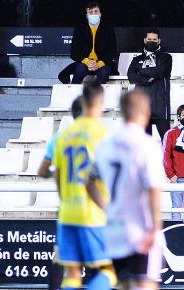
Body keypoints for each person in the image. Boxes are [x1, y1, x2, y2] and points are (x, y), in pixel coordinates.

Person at [86, 89, 166, 290]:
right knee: (145, 285)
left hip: (114, 230)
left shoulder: (106, 145)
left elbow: (87, 180)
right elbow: (153, 190)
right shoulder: (147, 145)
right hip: (141, 230)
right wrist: (154, 229)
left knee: (121, 285)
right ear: (146, 110)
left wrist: (106, 208)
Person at [52, 82, 113, 290]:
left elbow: (57, 174)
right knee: (109, 272)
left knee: (73, 273)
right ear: (99, 102)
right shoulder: (101, 133)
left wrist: (65, 201)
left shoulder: (64, 135)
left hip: (67, 212)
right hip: (92, 213)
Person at [126, 29, 172, 137]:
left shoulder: (166, 57)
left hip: (160, 105)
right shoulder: (137, 59)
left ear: (159, 41)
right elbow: (131, 76)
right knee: (145, 143)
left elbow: (160, 72)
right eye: (149, 39)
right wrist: (147, 79)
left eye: (154, 39)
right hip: (143, 108)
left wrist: (141, 72)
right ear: (144, 40)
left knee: (166, 141)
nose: (152, 41)